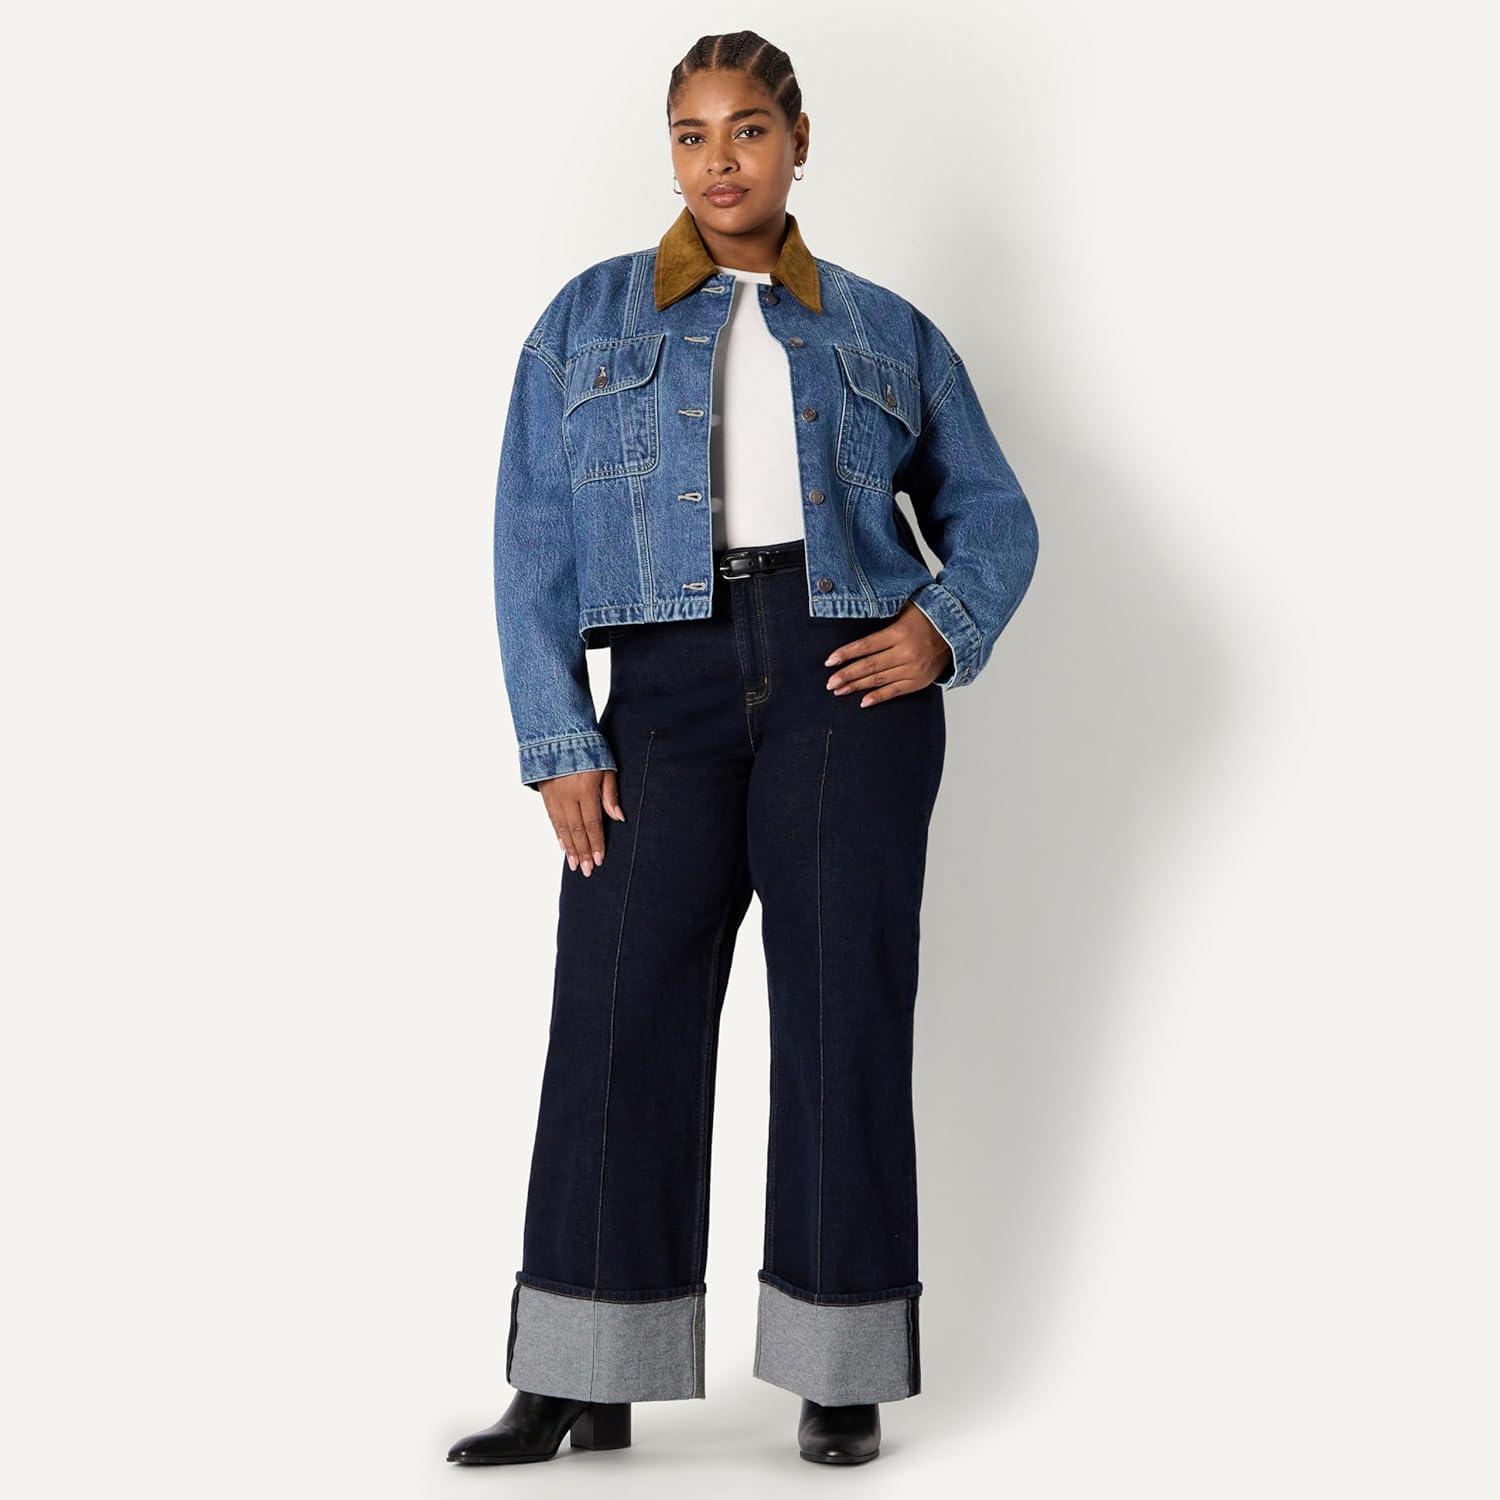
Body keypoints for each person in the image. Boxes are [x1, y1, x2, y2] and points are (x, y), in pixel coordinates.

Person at [448, 29, 1039, 1468]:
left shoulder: (886, 332)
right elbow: (531, 541)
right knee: (617, 1008)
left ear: (798, 141)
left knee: (841, 1012)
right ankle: (582, 1370)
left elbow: (995, 516)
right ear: (672, 150)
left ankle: (841, 1368)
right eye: (693, 134)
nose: (721, 161)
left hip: (848, 684)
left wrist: (940, 627)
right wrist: (558, 737)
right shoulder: (585, 321)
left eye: (749, 130)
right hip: (663, 688)